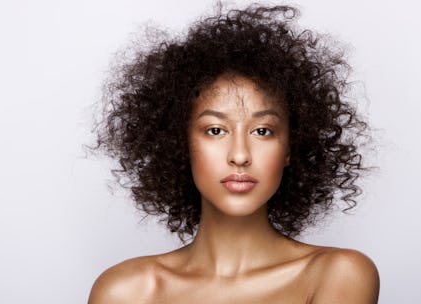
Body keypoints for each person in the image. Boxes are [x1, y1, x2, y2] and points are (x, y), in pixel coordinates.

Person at [88, 3, 379, 303]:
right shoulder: (126, 291)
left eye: (262, 131)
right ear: (180, 143)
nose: (240, 156)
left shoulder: (338, 274)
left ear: (291, 147)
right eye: (215, 130)